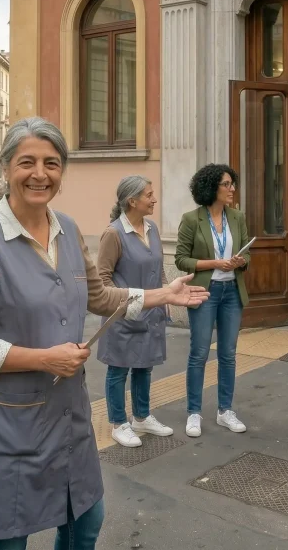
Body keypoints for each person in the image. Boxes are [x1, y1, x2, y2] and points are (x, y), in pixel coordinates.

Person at [0, 117, 208, 549]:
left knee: (85, 522)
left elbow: (99, 295)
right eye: (27, 162)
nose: (40, 173)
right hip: (5, 423)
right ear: (7, 166)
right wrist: (43, 359)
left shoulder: (66, 229)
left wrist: (163, 295)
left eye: (52, 163)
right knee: (10, 538)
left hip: (66, 417)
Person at [96, 175, 173, 448]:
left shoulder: (151, 228)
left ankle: (141, 416)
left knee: (144, 366)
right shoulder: (114, 234)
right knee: (118, 369)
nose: (154, 199)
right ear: (132, 201)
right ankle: (118, 423)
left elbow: (159, 266)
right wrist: (128, 302)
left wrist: (165, 294)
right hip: (123, 314)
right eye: (149, 195)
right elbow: (102, 280)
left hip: (151, 313)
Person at [174, 163, 251, 439]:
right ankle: (194, 412)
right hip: (204, 292)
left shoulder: (237, 217)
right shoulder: (192, 219)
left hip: (232, 292)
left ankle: (225, 410)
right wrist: (214, 263)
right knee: (199, 353)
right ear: (211, 188)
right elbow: (181, 259)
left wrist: (240, 262)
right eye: (226, 184)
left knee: (228, 354)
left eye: (232, 184)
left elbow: (247, 253)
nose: (232, 189)